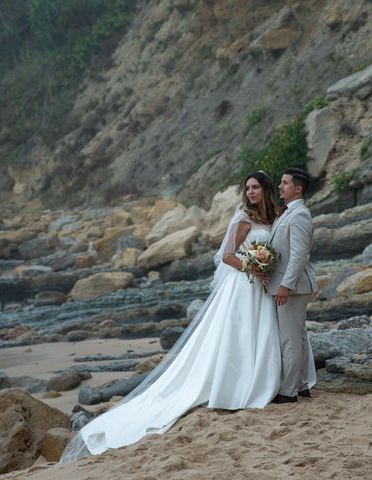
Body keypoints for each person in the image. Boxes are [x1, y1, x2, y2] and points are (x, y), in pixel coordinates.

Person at [60, 171, 315, 461]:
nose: (252, 192)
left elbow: (284, 249)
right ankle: (240, 384)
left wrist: (266, 269)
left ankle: (275, 383)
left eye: (256, 187)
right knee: (239, 332)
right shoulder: (244, 217)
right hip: (244, 286)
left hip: (264, 288)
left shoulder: (274, 217)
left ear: (266, 189)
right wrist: (252, 266)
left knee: (269, 334)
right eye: (248, 188)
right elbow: (228, 255)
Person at [267, 168, 317, 404]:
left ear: (298, 188)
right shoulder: (286, 213)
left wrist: (285, 285)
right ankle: (302, 385)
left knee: (289, 338)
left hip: (293, 286)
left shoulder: (299, 215)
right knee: (297, 335)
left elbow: (298, 255)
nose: (280, 186)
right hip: (290, 284)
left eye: (285, 183)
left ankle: (288, 392)